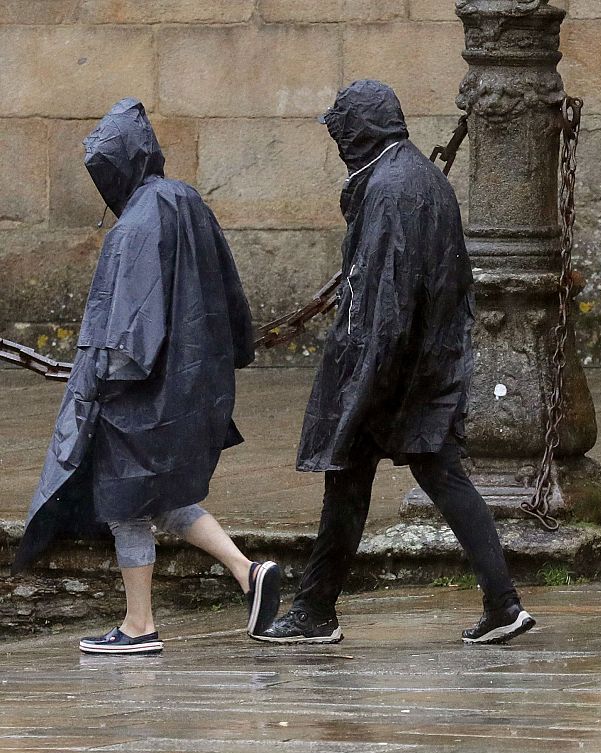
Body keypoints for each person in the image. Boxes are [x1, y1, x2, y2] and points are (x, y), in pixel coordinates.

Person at [254, 80, 532, 646]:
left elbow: (384, 299)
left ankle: (314, 612)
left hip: (393, 369)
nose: (337, 146)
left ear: (359, 132)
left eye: (341, 134)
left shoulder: (389, 189)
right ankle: (502, 605)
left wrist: (364, 383)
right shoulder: (413, 176)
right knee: (440, 477)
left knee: (352, 481)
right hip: (423, 361)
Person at [13, 99, 280, 655]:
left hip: (141, 392)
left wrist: (101, 384)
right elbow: (226, 290)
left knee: (125, 502)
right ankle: (247, 572)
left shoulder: (135, 224)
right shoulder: (186, 200)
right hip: (189, 382)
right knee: (159, 494)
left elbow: (129, 323)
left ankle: (139, 625)